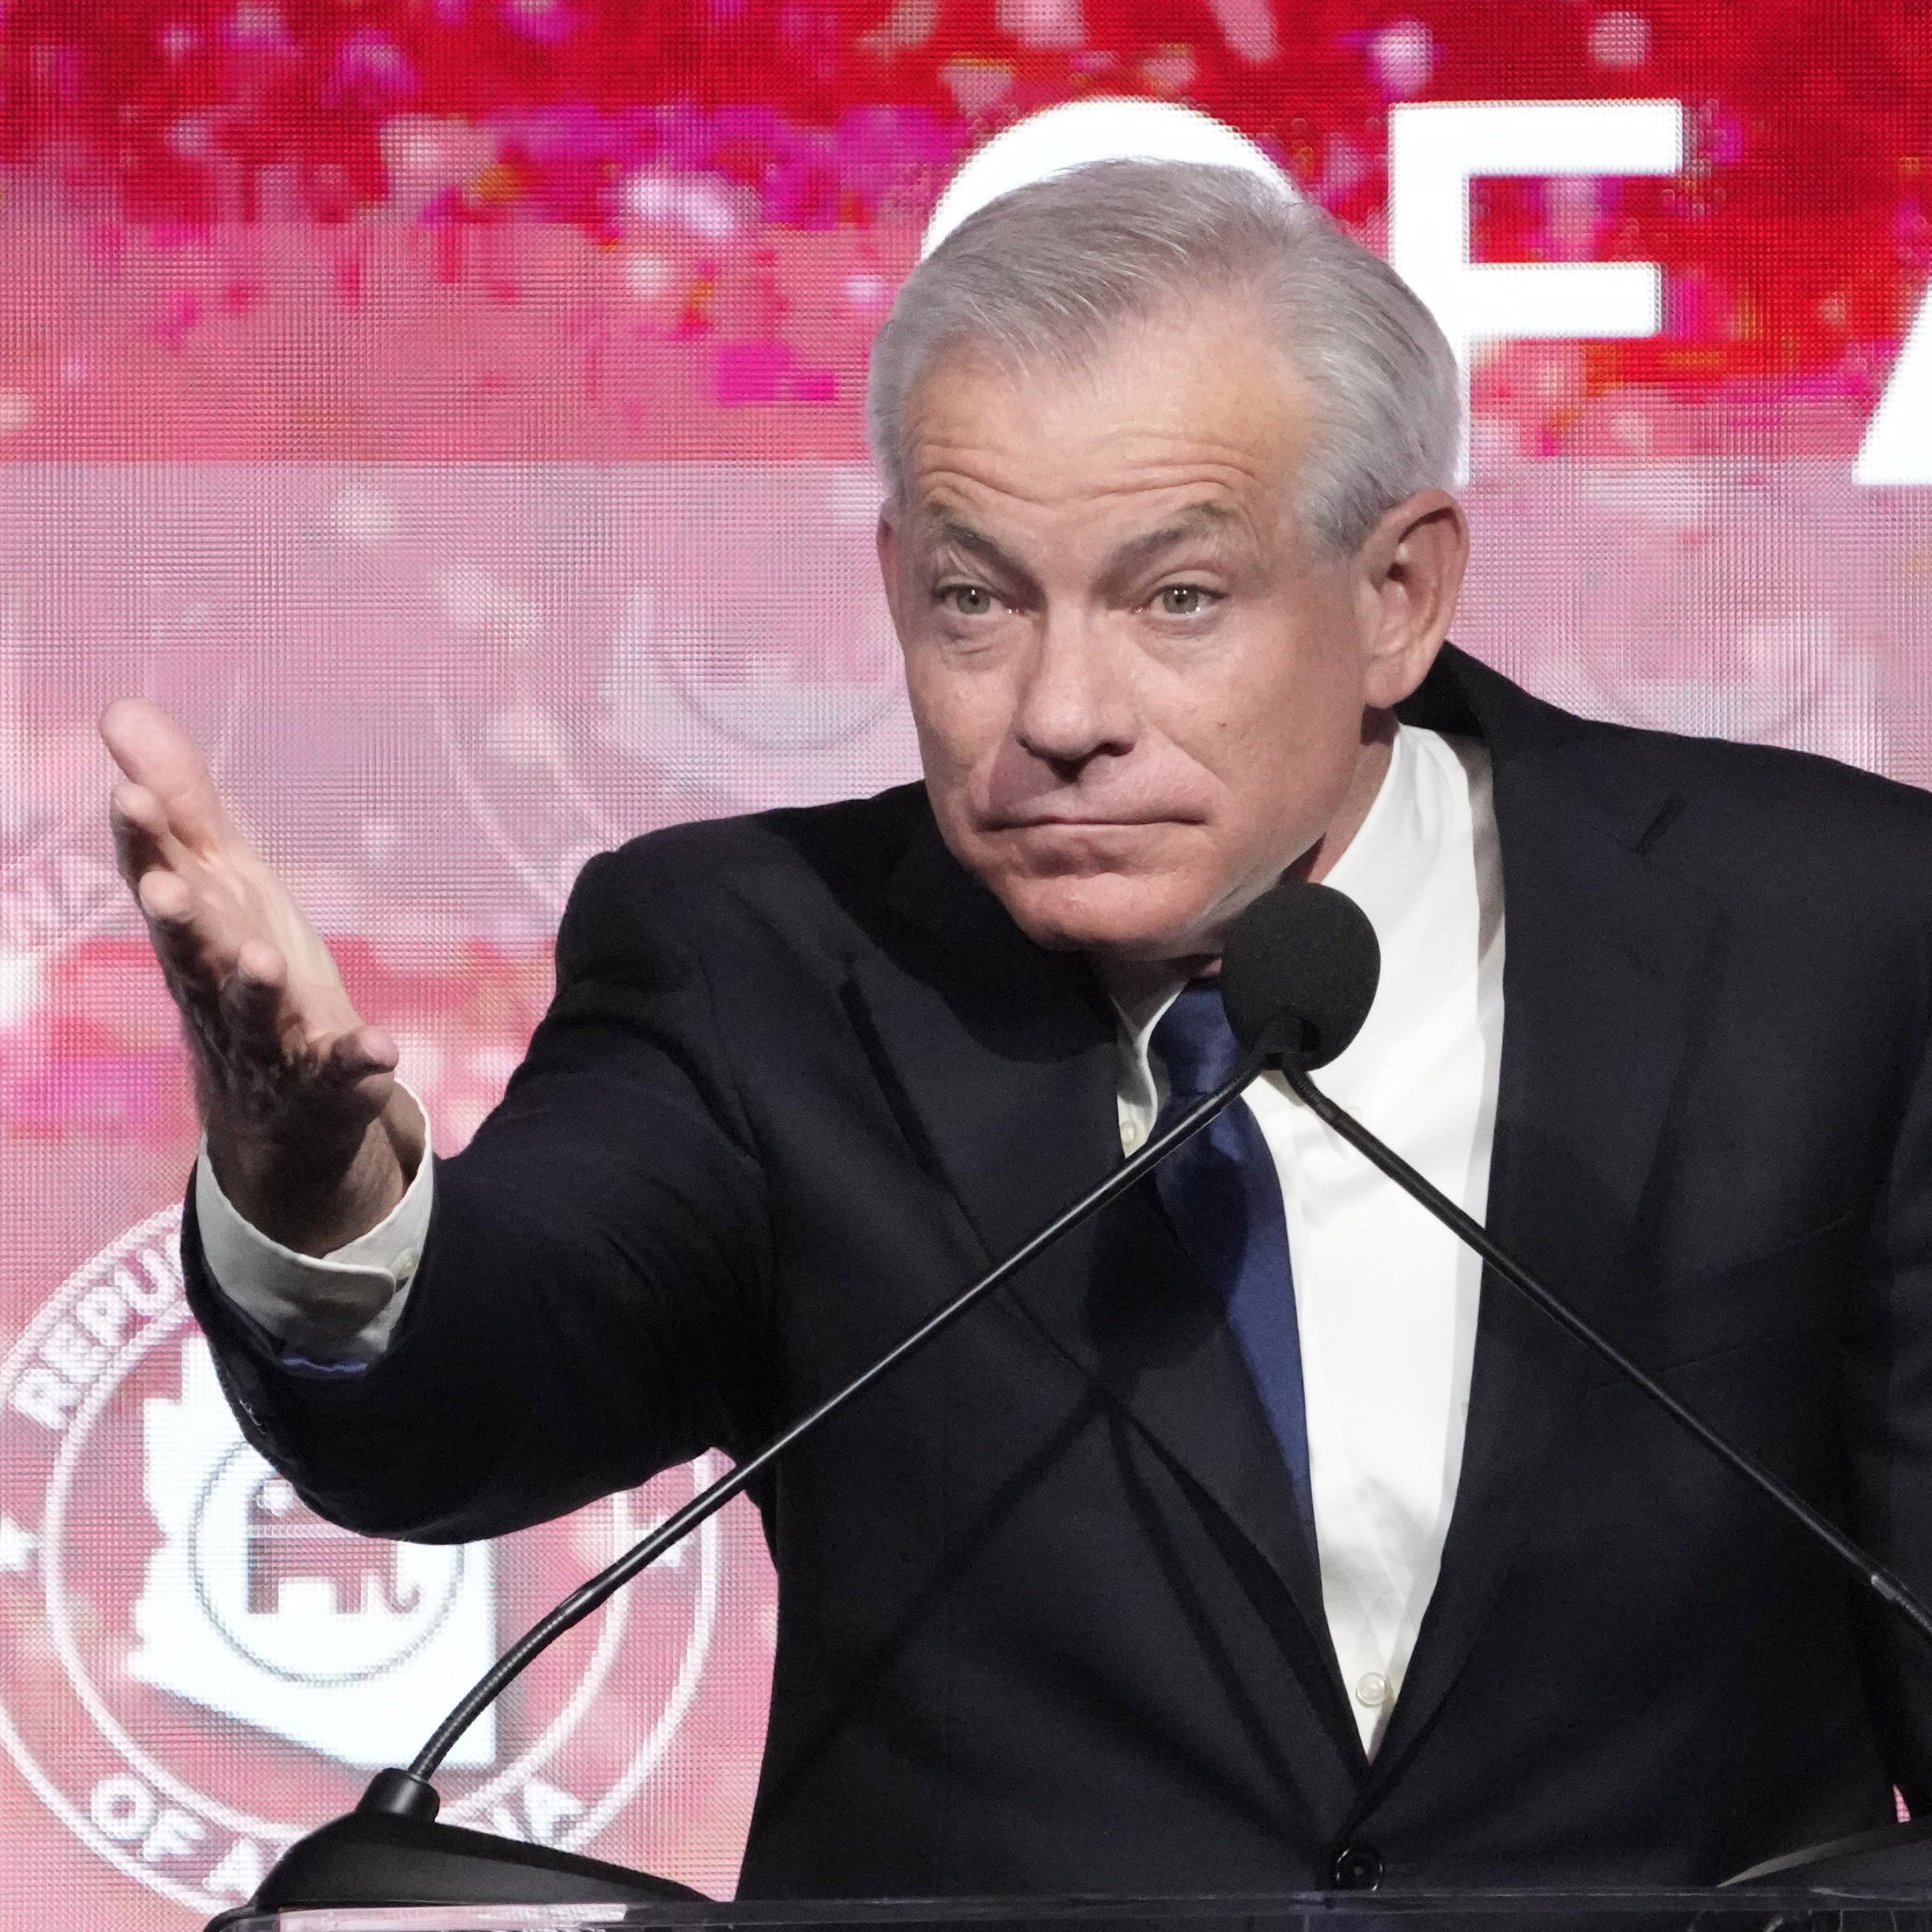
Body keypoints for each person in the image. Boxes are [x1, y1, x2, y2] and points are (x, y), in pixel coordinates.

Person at [100, 159, 1932, 1896]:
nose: (1060, 711)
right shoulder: (760, 962)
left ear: (1397, 597)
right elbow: (477, 1390)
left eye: (1177, 598)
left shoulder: (1831, 933)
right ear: (899, 587)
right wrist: (316, 1186)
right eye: (978, 602)